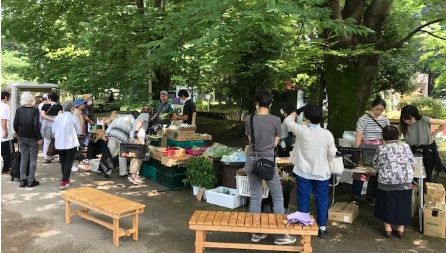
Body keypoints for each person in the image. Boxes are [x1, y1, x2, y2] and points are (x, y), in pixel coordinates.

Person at [245, 90, 296, 245]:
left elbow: (250, 139)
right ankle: (280, 235)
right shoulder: (275, 120)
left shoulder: (249, 118)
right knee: (278, 196)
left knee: (255, 195)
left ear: (256, 103)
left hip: (252, 159)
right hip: (267, 161)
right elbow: (275, 143)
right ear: (270, 104)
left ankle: (257, 232)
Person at [284, 104, 337, 239]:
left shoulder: (302, 130)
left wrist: (297, 111)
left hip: (303, 171)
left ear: (307, 118)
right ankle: (322, 227)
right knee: (322, 199)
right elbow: (332, 153)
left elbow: (287, 121)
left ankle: (304, 224)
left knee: (303, 197)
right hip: (322, 171)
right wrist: (327, 160)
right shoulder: (327, 134)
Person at [373, 125, 415, 238]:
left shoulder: (381, 148)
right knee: (403, 204)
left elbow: (376, 165)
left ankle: (387, 228)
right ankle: (400, 229)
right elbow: (412, 162)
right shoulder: (406, 146)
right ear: (398, 135)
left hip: (386, 181)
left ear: (383, 136)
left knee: (386, 203)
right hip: (405, 181)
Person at [351, 97, 390, 205]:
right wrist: (357, 150)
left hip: (379, 147)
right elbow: (359, 135)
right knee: (361, 171)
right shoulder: (363, 119)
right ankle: (356, 195)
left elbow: (386, 136)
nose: (379, 111)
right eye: (377, 109)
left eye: (381, 110)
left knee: (375, 171)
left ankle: (371, 195)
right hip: (366, 147)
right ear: (372, 108)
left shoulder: (385, 120)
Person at [400, 105, 446, 182]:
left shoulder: (424, 120)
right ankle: (416, 190)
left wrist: (434, 134)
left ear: (415, 116)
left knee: (427, 173)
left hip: (427, 149)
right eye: (405, 119)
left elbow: (444, 123)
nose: (407, 121)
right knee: (413, 173)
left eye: (410, 119)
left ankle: (425, 188)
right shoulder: (403, 125)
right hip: (412, 150)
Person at [13, 92, 43, 187]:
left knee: (24, 157)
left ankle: (22, 180)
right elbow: (35, 125)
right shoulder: (35, 111)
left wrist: (18, 131)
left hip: (21, 136)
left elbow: (15, 124)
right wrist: (39, 137)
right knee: (33, 159)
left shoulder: (19, 111)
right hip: (32, 137)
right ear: (32, 100)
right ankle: (30, 180)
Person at [51, 101, 82, 190]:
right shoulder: (73, 118)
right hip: (71, 143)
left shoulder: (58, 118)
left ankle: (66, 179)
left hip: (59, 143)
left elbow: (53, 131)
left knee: (63, 161)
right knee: (69, 162)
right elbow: (79, 131)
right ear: (72, 108)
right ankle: (64, 181)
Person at [129, 106, 152, 184]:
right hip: (138, 137)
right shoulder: (146, 115)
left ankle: (136, 175)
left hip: (135, 137)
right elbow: (140, 123)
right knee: (136, 157)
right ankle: (133, 176)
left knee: (138, 157)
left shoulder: (140, 115)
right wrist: (136, 132)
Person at [40, 92, 63, 163]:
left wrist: (50, 119)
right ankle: (60, 157)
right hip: (56, 125)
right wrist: (54, 119)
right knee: (58, 141)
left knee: (46, 142)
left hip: (46, 125)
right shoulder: (59, 106)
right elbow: (60, 116)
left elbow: (42, 115)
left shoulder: (44, 106)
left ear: (49, 98)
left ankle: (46, 157)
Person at [71, 98, 86, 171]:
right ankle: (74, 164)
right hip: (77, 134)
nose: (84, 105)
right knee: (76, 149)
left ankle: (76, 164)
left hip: (80, 133)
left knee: (79, 149)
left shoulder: (79, 112)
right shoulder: (76, 112)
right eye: (82, 104)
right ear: (78, 105)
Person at [1, 91, 14, 175]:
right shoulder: (5, 106)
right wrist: (5, 131)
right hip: (4, 133)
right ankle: (6, 169)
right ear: (6, 97)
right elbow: (3, 120)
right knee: (8, 152)